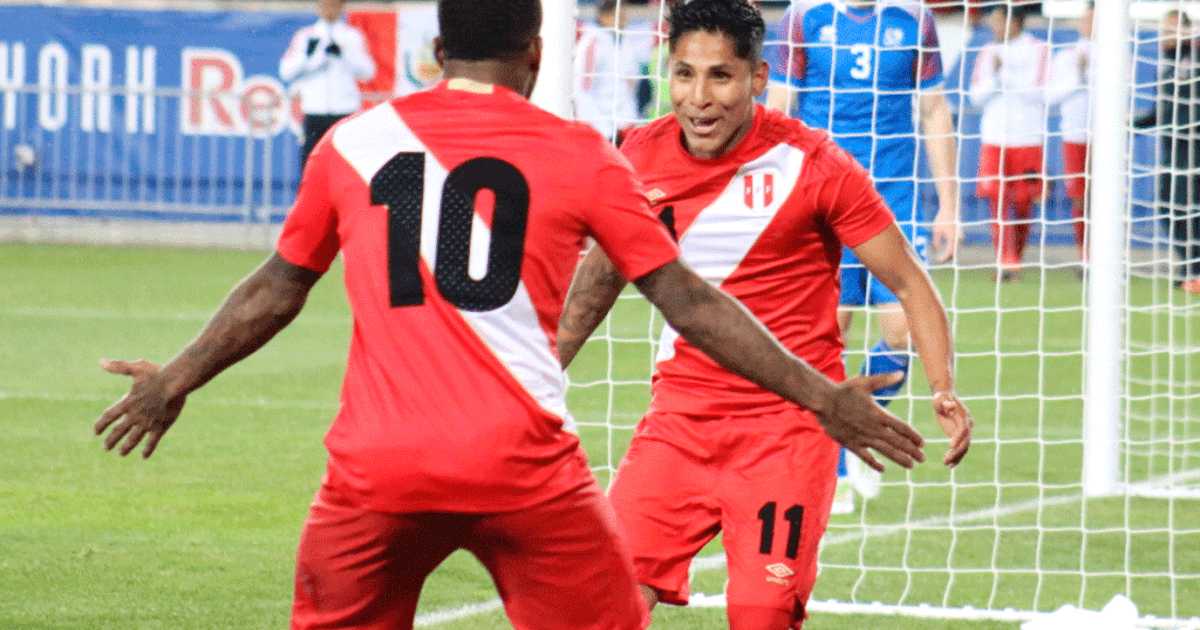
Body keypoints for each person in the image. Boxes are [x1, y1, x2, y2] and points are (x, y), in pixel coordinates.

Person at [92, 0, 930, 627]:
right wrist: (823, 395)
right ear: (536, 53)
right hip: (522, 468)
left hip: (375, 471)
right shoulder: (582, 156)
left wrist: (176, 378)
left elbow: (277, 286)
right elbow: (686, 299)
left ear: (432, 52)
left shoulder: (350, 142)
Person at [556, 0, 972, 627]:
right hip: (679, 422)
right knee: (600, 606)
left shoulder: (815, 163)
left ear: (758, 78)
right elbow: (592, 290)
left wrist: (942, 389)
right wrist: (532, 377)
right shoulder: (638, 158)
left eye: (720, 76)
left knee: (762, 614)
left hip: (790, 429)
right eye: (683, 74)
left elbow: (910, 282)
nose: (698, 97)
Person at [763, 0, 962, 511]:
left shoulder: (914, 19)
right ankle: (834, 464)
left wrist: (950, 204)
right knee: (830, 336)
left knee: (903, 332)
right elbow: (780, 105)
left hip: (893, 195)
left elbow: (935, 108)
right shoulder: (804, 18)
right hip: (820, 194)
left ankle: (846, 435)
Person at [968, 3, 1050, 281]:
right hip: (994, 137)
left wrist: (1006, 74)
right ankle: (1006, 261)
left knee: (1025, 202)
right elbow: (975, 97)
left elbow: (1040, 94)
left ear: (1014, 22)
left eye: (998, 21)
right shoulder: (987, 52)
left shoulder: (1039, 49)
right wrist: (996, 77)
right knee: (997, 199)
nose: (993, 27)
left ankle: (1017, 255)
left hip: (1028, 137)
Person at [1134, 9, 1200, 294]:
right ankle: (1189, 267)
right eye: (1164, 30)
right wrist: (1132, 123)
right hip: (1172, 148)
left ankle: (1195, 271)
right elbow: (1162, 111)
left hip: (1193, 147)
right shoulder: (1169, 66)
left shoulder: (1194, 61)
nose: (1165, 35)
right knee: (1168, 206)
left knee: (1189, 209)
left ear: (1187, 31)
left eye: (1171, 30)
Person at [279, 0, 376, 167]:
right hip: (315, 112)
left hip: (344, 112)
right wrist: (309, 58)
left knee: (344, 166)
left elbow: (369, 72)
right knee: (311, 166)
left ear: (341, 6)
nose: (329, 9)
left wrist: (344, 56)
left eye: (334, 4)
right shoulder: (306, 36)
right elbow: (286, 72)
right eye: (325, 4)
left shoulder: (351, 36)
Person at [1047, 1, 1093, 269]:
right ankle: (1085, 256)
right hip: (1075, 134)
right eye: (1086, 19)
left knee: (1106, 196)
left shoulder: (1118, 55)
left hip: (1107, 138)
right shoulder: (1065, 56)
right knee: (1080, 196)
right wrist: (1079, 77)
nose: (1089, 25)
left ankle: (1108, 256)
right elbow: (1051, 96)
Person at [574, 0, 642, 142]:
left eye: (625, 14)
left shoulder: (626, 42)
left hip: (624, 125)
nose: (623, 18)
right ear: (603, 16)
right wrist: (604, 131)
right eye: (619, 14)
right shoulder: (592, 42)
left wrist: (629, 118)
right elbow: (582, 90)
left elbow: (632, 83)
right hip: (600, 129)